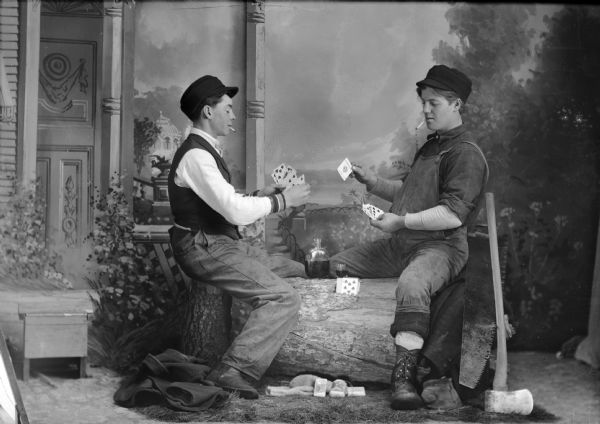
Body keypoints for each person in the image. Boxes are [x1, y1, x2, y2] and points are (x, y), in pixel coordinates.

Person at [330, 65, 489, 410]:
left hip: (441, 248)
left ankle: (402, 378)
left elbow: (450, 213)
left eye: (434, 103)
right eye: (424, 103)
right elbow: (410, 194)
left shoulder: (466, 154)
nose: (426, 110)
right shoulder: (432, 146)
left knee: (412, 284)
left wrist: (400, 222)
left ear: (457, 104)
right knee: (339, 263)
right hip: (401, 244)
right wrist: (372, 182)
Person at [168, 75, 311, 400]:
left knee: (297, 270)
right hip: (202, 247)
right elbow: (233, 212)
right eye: (228, 109)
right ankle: (235, 369)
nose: (233, 116)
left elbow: (221, 203)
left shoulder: (204, 151)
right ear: (208, 111)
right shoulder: (197, 156)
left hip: (218, 242)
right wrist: (283, 201)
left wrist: (260, 195)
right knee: (284, 296)